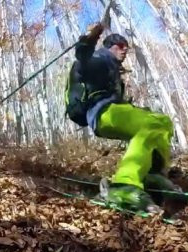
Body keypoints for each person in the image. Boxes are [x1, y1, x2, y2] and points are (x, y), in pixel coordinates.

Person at [65, 23, 179, 213]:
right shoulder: (101, 59)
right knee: (151, 123)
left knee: (163, 122)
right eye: (119, 45)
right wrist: (91, 37)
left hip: (115, 111)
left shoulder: (113, 69)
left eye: (126, 46)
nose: (124, 49)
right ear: (109, 47)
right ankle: (124, 186)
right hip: (102, 113)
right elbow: (83, 57)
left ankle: (151, 174)